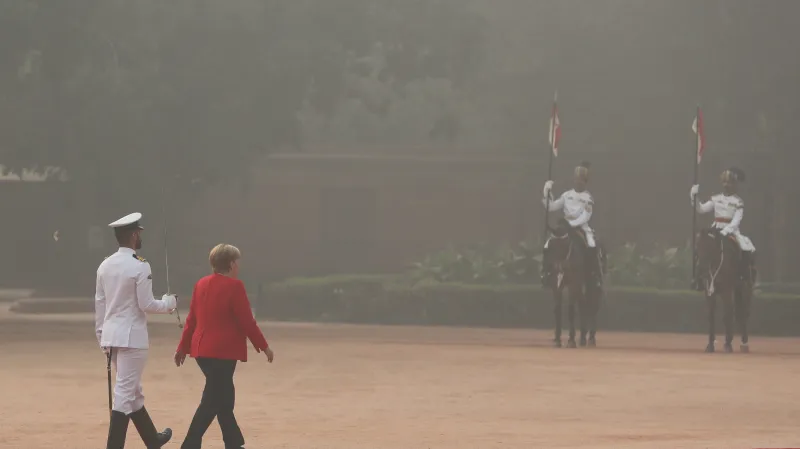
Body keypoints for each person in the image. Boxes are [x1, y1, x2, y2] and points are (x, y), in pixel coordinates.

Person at [175, 243, 274, 449]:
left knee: (223, 396)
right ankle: (190, 444)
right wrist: (264, 346)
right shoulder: (234, 287)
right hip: (223, 352)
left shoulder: (201, 284)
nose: (239, 267)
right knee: (213, 400)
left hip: (202, 351)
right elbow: (247, 321)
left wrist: (183, 347)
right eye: (237, 262)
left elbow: (191, 320)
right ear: (230, 264)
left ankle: (233, 443)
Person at [95, 212, 178, 449]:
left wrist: (101, 336)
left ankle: (152, 439)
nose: (140, 237)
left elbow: (100, 304)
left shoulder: (105, 265)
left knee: (133, 392)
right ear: (133, 236)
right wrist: (169, 304)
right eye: (139, 233)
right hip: (132, 339)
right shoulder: (139, 266)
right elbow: (147, 304)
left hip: (112, 337)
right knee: (124, 394)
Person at [690, 167, 756, 288]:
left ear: (735, 184)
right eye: (725, 182)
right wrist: (694, 197)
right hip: (715, 228)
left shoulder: (738, 202)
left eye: (730, 183)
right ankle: (698, 277)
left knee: (745, 247)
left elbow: (736, 221)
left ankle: (745, 276)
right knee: (701, 243)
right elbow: (701, 209)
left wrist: (726, 231)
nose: (727, 185)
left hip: (731, 231)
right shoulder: (716, 198)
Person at [541, 161, 603, 287]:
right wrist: (546, 191)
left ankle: (593, 275)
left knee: (591, 244)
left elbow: (586, 216)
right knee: (548, 244)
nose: (579, 182)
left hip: (581, 226)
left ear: (585, 182)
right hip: (565, 226)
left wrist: (572, 224)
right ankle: (546, 272)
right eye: (577, 179)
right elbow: (551, 207)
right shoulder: (566, 195)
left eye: (582, 180)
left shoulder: (588, 198)